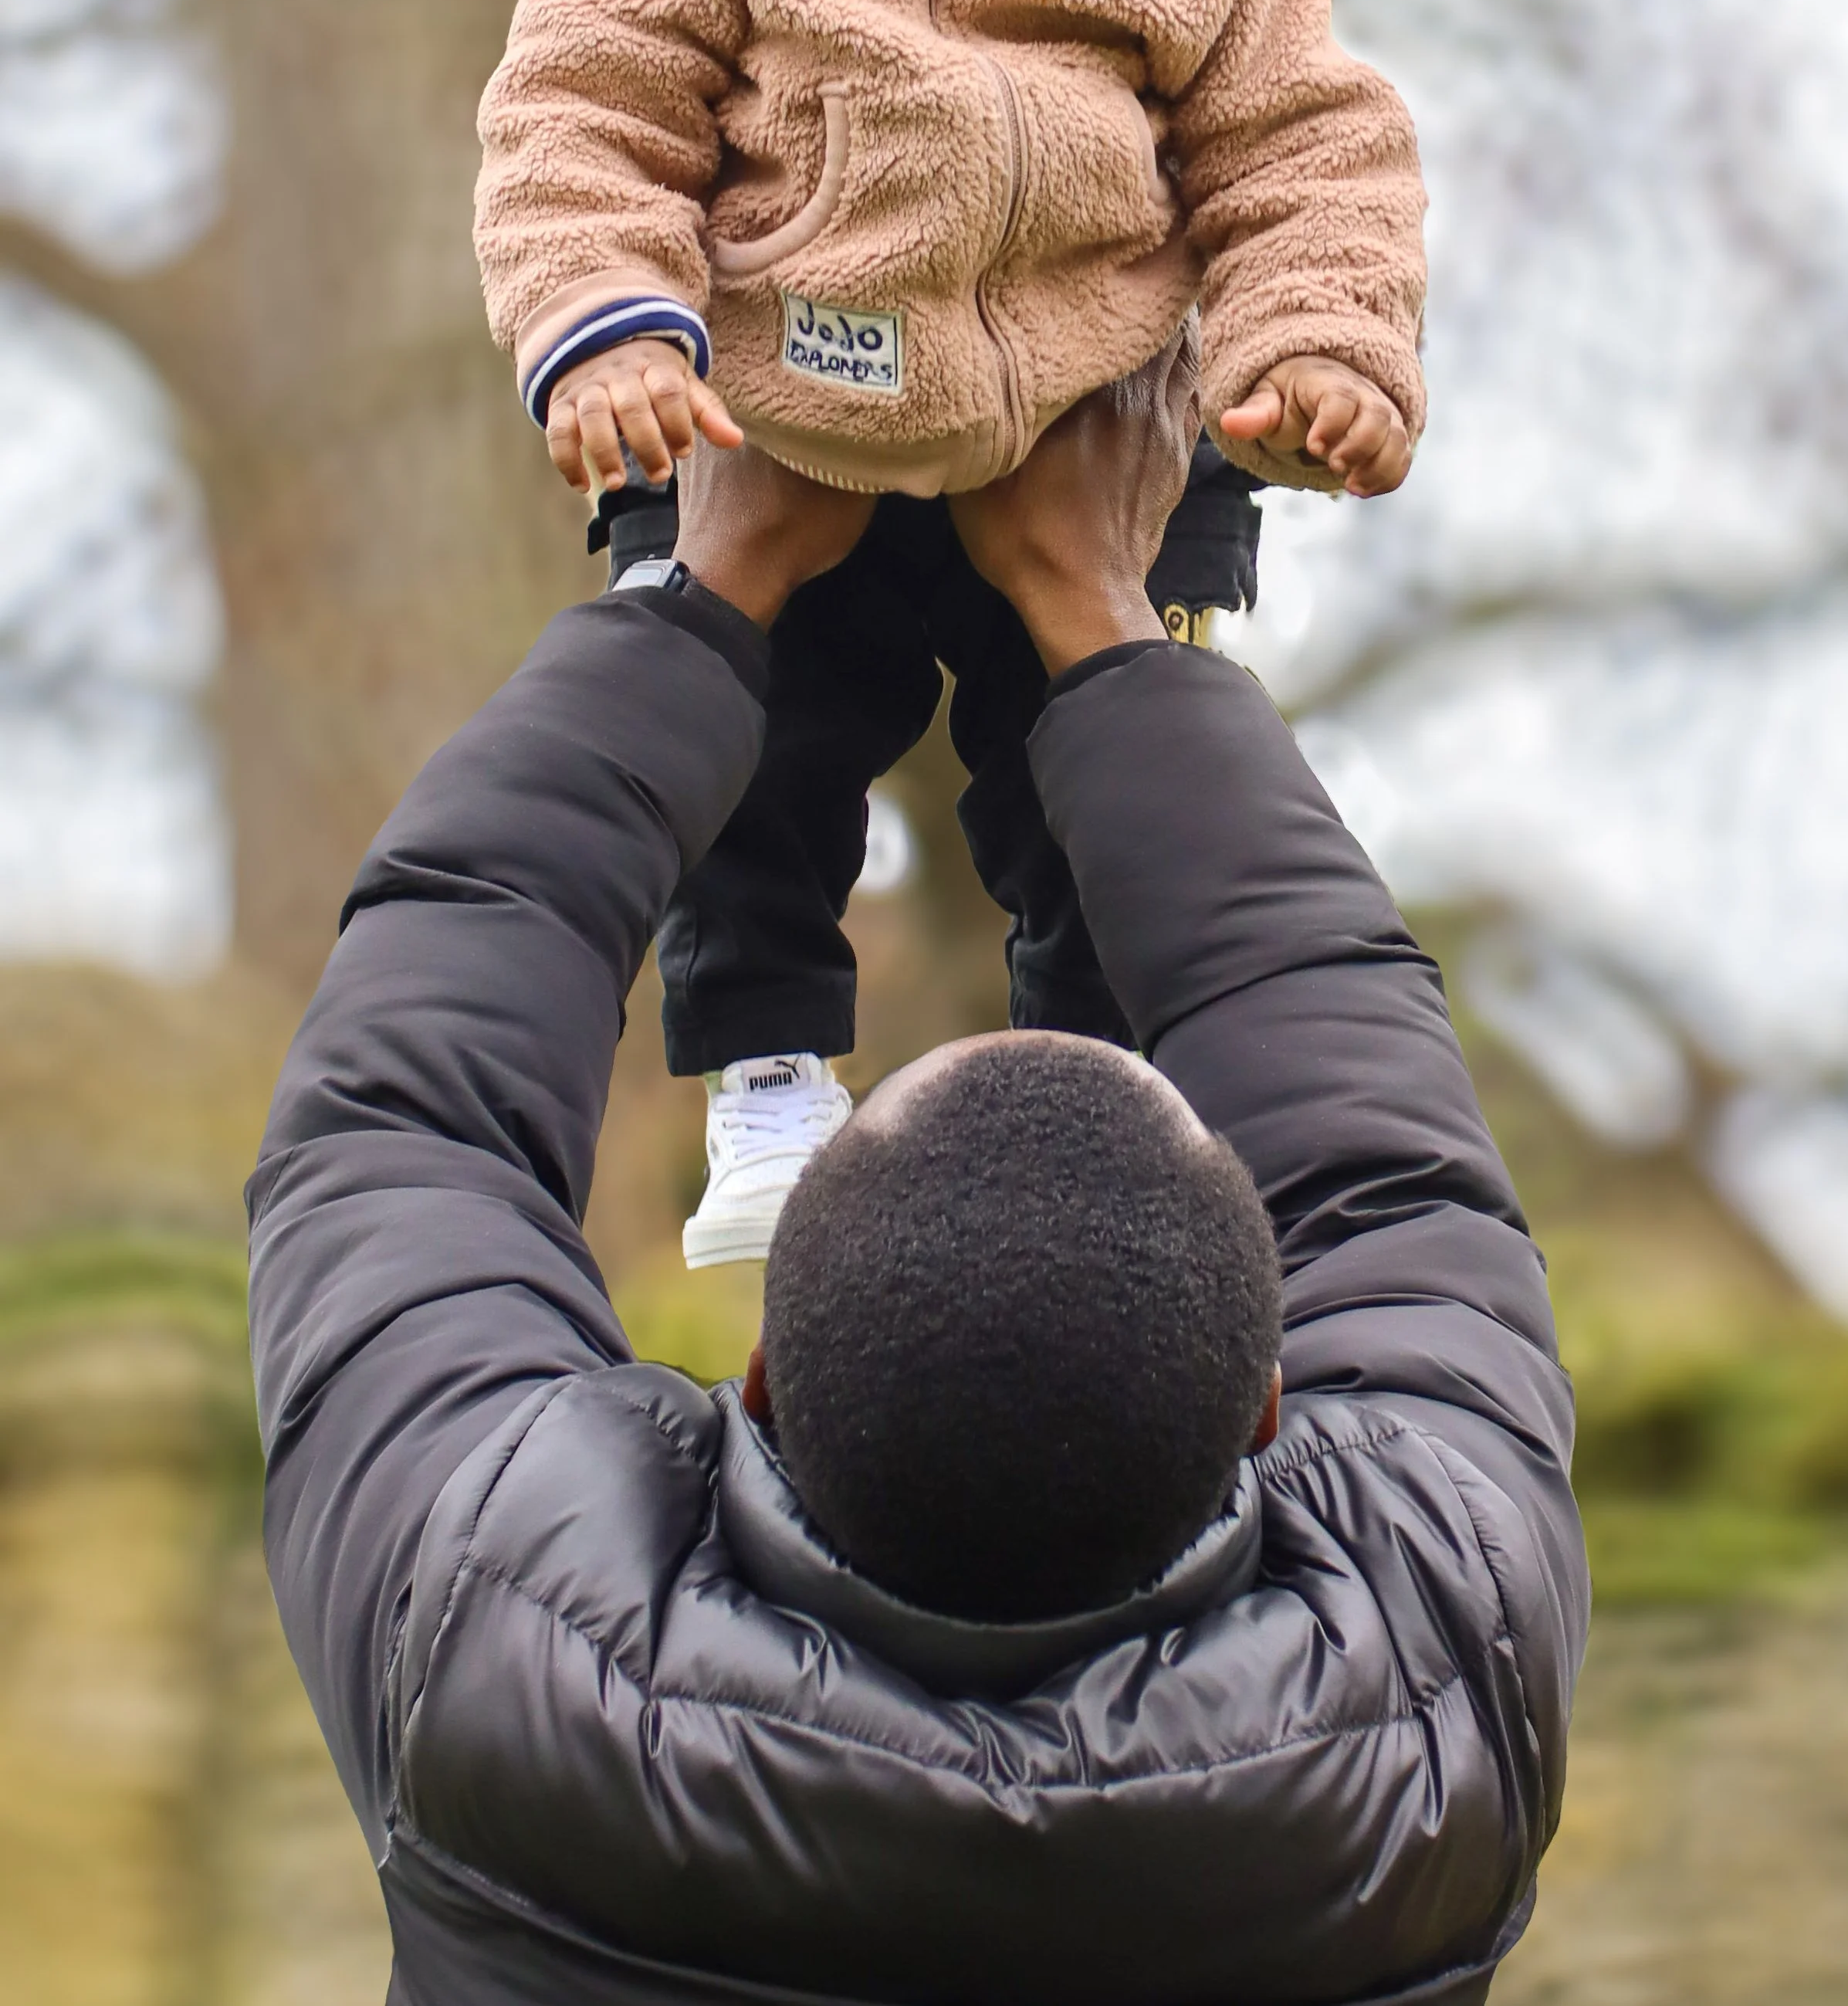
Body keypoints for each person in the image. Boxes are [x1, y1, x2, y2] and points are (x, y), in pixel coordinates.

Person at [249, 357, 1586, 2006]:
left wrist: (712, 580)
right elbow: (1386, 1182)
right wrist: (1098, 610)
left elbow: (398, 1121)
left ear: (754, 1382)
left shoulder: (495, 1642)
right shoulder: (1434, 1696)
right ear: (1264, 1408)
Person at [472, 0, 1428, 1260]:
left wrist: (1314, 347)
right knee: (744, 747)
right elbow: (580, 116)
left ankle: (1096, 1085)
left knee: (1106, 770)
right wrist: (609, 330)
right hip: (775, 394)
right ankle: (760, 1081)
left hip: (1087, 410)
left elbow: (1300, 147)